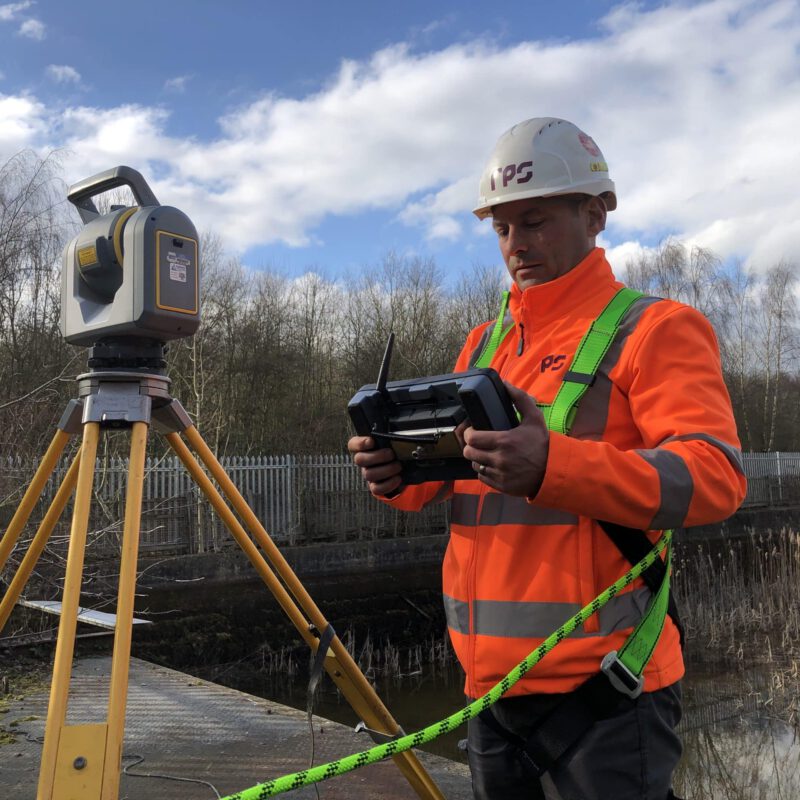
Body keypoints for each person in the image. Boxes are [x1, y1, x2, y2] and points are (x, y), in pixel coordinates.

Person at [348, 117, 746, 800]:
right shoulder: (483, 344)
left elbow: (716, 479)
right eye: (502, 229)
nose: (515, 246)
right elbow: (460, 478)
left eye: (533, 222)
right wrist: (398, 476)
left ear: (594, 215)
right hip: (490, 691)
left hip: (609, 693)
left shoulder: (654, 329)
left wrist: (552, 466)